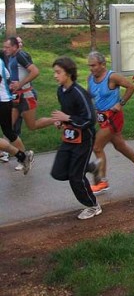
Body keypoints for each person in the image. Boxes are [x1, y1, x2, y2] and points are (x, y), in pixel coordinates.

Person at [33, 57, 101, 220]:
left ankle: (93, 205)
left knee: (75, 177)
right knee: (58, 172)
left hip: (84, 138)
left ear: (69, 74)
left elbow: (90, 119)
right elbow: (67, 114)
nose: (55, 76)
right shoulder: (60, 91)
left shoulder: (79, 92)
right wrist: (61, 121)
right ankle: (90, 167)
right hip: (69, 137)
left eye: (58, 72)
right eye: (54, 72)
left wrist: (68, 118)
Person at [85, 52, 134, 194]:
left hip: (113, 117)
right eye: (89, 66)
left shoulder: (112, 76)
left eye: (94, 65)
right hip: (101, 118)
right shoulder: (90, 78)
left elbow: (131, 87)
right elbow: (89, 97)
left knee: (97, 147)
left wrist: (121, 103)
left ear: (102, 65)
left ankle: (102, 181)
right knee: (119, 146)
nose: (91, 68)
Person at [0, 54, 33, 173]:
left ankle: (23, 156)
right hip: (4, 101)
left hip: (3, 102)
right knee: (8, 132)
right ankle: (23, 156)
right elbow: (7, 76)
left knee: (9, 132)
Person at [4, 36, 39, 137]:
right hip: (16, 96)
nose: (5, 50)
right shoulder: (11, 56)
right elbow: (16, 73)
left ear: (15, 46)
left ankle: (56, 120)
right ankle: (8, 151)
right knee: (8, 126)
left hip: (26, 96)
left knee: (32, 126)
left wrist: (20, 84)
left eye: (7, 47)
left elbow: (35, 71)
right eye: (4, 47)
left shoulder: (21, 55)